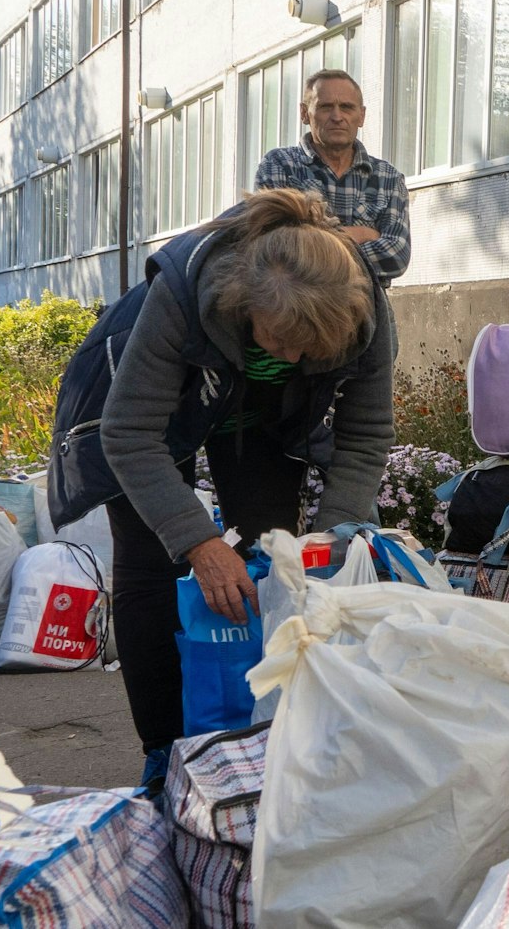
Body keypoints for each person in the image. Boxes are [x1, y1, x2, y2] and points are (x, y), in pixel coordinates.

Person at [95, 189, 395, 787]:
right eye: (280, 342)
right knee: (154, 566)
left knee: (274, 565)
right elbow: (129, 433)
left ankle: (265, 738)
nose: (291, 357)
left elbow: (365, 436)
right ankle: (164, 753)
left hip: (258, 417)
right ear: (241, 304)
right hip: (148, 408)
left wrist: (332, 540)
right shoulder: (185, 292)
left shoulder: (364, 314)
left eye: (309, 352)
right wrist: (199, 544)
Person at [254, 69, 411, 284]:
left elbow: (396, 257)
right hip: (297, 312)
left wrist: (312, 241)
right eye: (325, 107)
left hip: (367, 316)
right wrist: (364, 234)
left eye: (346, 107)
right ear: (304, 113)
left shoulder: (387, 177)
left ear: (361, 116)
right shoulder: (279, 165)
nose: (337, 117)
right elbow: (275, 250)